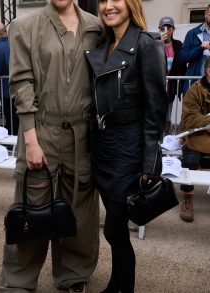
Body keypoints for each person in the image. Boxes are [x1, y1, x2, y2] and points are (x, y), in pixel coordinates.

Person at [0, 1, 102, 293]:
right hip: (41, 130)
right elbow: (21, 83)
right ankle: (18, 281)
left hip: (82, 134)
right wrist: (31, 139)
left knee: (80, 206)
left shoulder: (96, 27)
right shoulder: (25, 26)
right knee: (33, 206)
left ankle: (73, 274)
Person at [85, 0, 168, 292]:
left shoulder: (147, 44)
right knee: (116, 230)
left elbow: (156, 110)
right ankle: (116, 284)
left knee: (113, 228)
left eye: (115, 0)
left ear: (130, 4)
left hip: (129, 151)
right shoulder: (104, 43)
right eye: (103, 1)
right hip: (105, 148)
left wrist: (149, 163)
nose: (108, 6)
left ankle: (124, 287)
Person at [179, 55, 210, 223]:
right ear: (209, 71)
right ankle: (187, 197)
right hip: (196, 137)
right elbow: (189, 119)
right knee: (190, 159)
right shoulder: (194, 90)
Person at [158, 16, 186, 134]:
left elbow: (182, 63)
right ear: (159, 29)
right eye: (163, 28)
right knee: (157, 108)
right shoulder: (155, 43)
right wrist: (160, 43)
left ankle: (166, 134)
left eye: (169, 28)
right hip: (158, 83)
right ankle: (157, 135)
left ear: (173, 29)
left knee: (169, 109)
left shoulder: (178, 44)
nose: (167, 31)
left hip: (172, 84)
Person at [180, 2, 210, 94]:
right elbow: (183, 58)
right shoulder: (192, 33)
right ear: (205, 14)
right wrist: (200, 48)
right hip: (195, 86)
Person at [0, 22, 19, 136]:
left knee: (10, 116)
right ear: (6, 32)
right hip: (21, 86)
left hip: (6, 88)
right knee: (19, 116)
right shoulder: (15, 43)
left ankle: (12, 142)